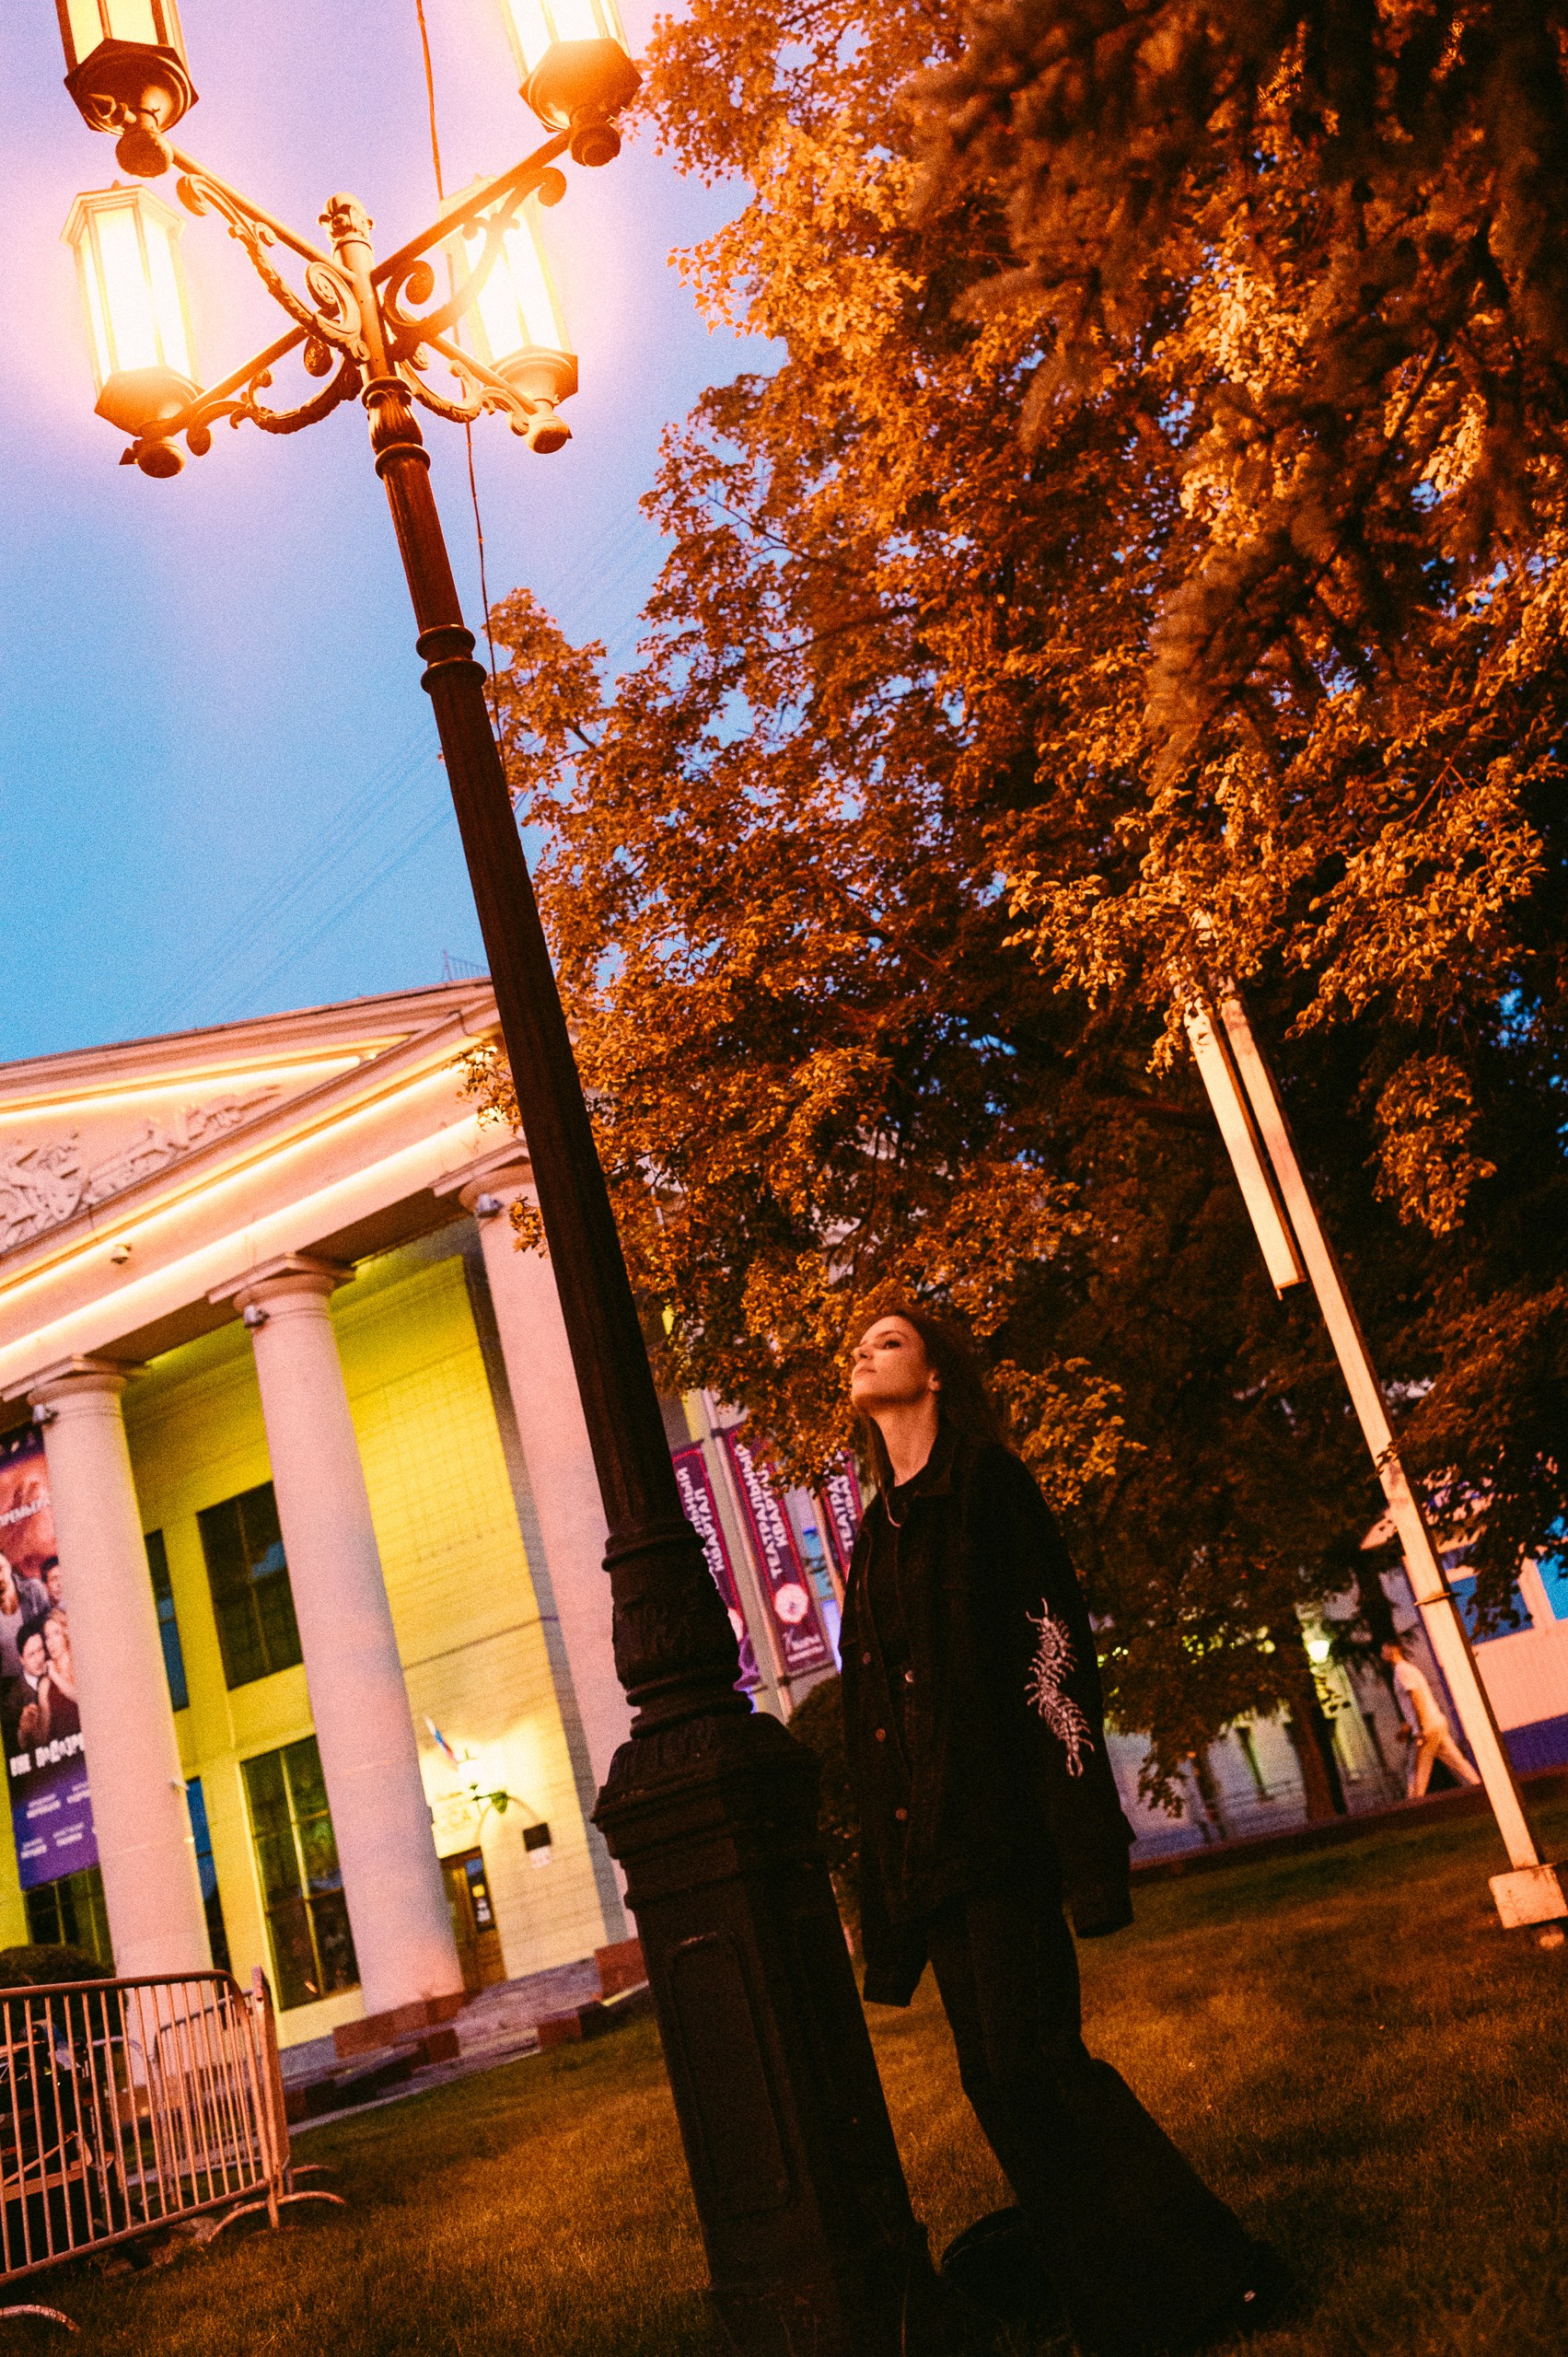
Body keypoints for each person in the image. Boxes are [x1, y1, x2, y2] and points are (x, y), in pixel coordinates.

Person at [841, 1304, 1288, 2357]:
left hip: (1000, 1832)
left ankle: (1218, 2270)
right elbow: (874, 1720)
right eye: (858, 1343)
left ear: (936, 1374)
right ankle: (1118, 2308)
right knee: (995, 2083)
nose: (861, 1350)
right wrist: (889, 1897)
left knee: (1039, 2061)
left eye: (888, 1339)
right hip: (931, 1854)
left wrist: (1081, 1840)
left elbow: (1052, 1661)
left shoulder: (988, 1488)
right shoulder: (876, 1531)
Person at [1381, 1634, 1481, 1797]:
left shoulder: (1401, 1670)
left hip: (1427, 1727)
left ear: (1394, 1649)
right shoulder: (1410, 1669)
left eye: (1384, 1649)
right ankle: (1478, 1786)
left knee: (1416, 1769)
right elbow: (1413, 1703)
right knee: (1456, 1761)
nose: (1382, 1654)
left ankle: (1415, 1805)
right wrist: (1408, 1726)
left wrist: (1419, 1727)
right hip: (1436, 1722)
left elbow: (1416, 1697)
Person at [0, 1554, 50, 1686]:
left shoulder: (33, 1589)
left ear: (9, 1565)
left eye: (0, 1568)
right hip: (9, 1684)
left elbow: (50, 1629)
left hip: (42, 1673)